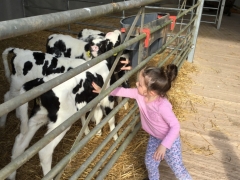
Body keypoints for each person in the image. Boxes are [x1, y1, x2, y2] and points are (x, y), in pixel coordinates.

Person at [92, 64, 192, 180]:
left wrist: (164, 145)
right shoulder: (139, 94)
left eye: (140, 84)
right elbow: (122, 91)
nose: (136, 84)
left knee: (178, 169)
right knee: (150, 162)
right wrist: (103, 91)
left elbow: (175, 126)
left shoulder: (162, 106)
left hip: (170, 141)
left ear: (151, 92)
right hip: (155, 137)